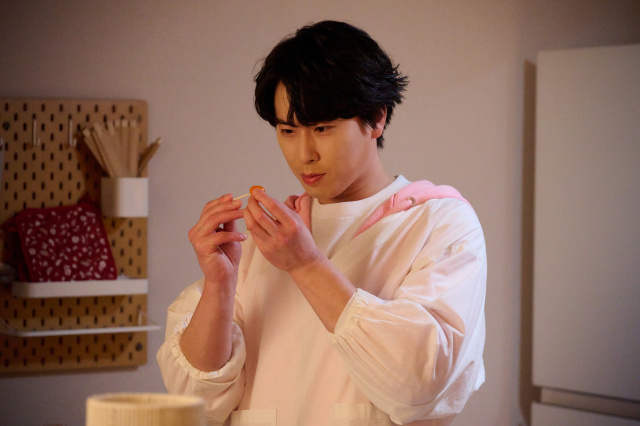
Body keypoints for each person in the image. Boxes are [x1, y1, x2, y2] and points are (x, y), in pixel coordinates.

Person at [157, 20, 486, 426]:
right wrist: (218, 285)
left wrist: (306, 265)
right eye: (288, 130)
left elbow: (422, 384)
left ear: (377, 118)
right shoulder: (267, 235)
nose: (304, 154)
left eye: (322, 128)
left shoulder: (439, 223)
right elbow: (198, 401)